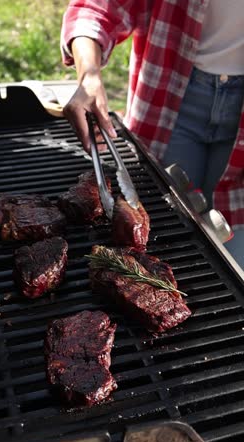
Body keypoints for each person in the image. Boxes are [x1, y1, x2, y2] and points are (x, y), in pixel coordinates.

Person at [60, 0, 244, 271]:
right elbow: (97, 7)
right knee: (160, 238)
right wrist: (89, 74)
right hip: (171, 99)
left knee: (234, 262)